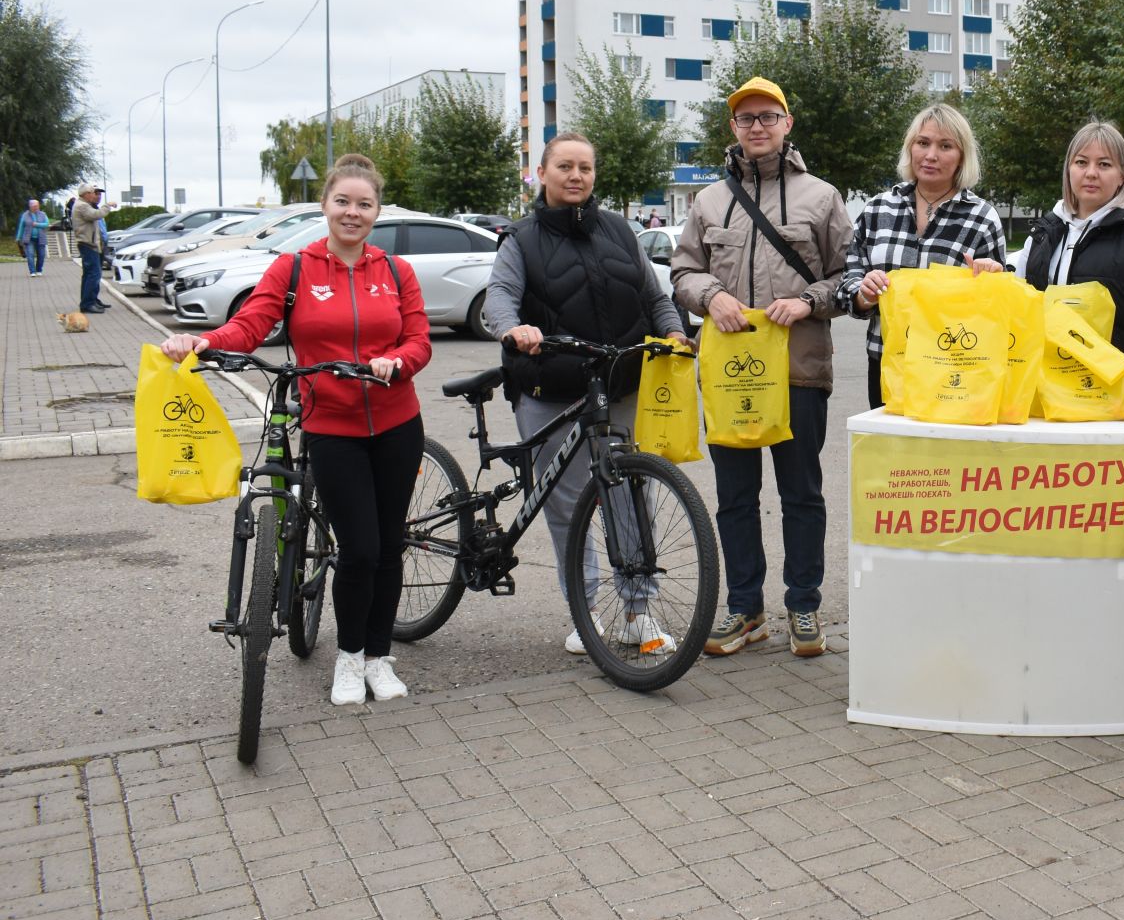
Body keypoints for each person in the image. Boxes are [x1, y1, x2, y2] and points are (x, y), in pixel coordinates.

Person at [161, 154, 432, 707]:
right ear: (326, 206)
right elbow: (251, 324)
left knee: (389, 547)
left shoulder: (396, 272)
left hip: (398, 422)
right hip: (332, 426)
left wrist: (397, 362)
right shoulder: (294, 269)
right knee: (358, 550)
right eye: (342, 202)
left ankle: (380, 656)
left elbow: (419, 339)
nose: (352, 213)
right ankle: (350, 659)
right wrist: (204, 343)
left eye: (364, 204)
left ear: (377, 211)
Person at [483, 131, 691, 657]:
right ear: (544, 175)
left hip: (618, 382)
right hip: (550, 388)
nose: (577, 176)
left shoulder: (619, 230)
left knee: (628, 491)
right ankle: (586, 611)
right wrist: (515, 330)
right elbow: (500, 299)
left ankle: (637, 612)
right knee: (567, 503)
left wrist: (672, 331)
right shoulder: (521, 238)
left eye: (585, 168)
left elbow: (652, 295)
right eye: (565, 167)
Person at [671, 77, 851, 658]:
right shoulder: (708, 202)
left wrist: (808, 302)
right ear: (733, 128)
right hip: (730, 376)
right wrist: (709, 296)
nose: (757, 126)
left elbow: (849, 277)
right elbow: (683, 272)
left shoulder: (821, 197)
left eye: (767, 116)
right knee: (734, 498)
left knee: (802, 494)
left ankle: (804, 606)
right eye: (746, 118)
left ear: (787, 123)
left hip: (799, 370)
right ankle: (745, 607)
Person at [1009, 120, 1124, 427]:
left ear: (1122, 175)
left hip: (1111, 404)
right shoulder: (1043, 234)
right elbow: (1017, 307)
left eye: (1104, 164)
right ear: (1069, 170)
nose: (1091, 173)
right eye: (1081, 162)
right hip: (1043, 403)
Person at [837, 103, 1008, 410]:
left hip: (954, 366)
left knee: (943, 459)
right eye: (923, 143)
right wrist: (863, 293)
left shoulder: (982, 218)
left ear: (961, 157)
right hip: (887, 361)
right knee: (890, 457)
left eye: (945, 146)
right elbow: (847, 282)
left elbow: (1000, 305)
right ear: (910, 148)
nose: (931, 155)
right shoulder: (878, 209)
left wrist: (990, 279)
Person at [71, 185, 113, 312]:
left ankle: (90, 300)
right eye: (92, 192)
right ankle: (87, 304)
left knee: (90, 274)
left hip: (90, 243)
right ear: (85, 194)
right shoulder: (82, 206)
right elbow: (96, 215)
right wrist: (108, 205)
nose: (94, 195)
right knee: (93, 274)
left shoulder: (83, 205)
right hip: (88, 243)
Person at [15, 199, 49, 276]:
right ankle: (32, 271)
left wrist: (37, 224)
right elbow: (21, 227)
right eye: (34, 206)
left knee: (41, 255)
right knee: (30, 255)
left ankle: (39, 270)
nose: (36, 207)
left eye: (37, 206)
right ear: (30, 206)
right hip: (29, 238)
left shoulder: (43, 214)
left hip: (41, 238)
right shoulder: (25, 215)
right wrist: (18, 237)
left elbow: (46, 224)